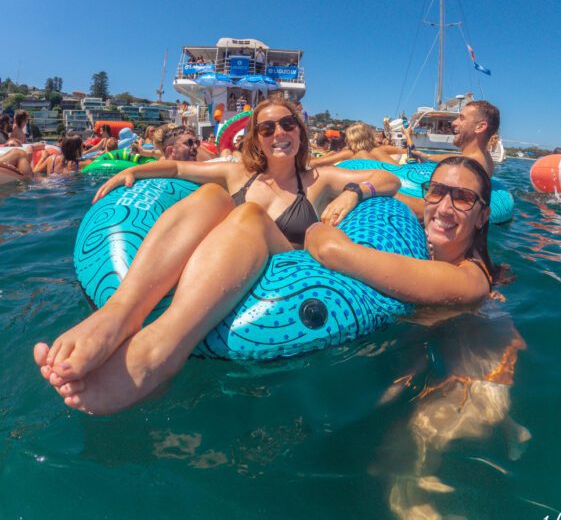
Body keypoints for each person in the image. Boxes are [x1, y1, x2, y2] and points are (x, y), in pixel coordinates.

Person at [34, 96, 400, 414]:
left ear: (300, 132)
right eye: (267, 128)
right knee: (213, 196)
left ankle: (161, 350)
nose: (279, 133)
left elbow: (389, 180)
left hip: (283, 266)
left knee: (248, 213)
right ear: (257, 138)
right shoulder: (238, 173)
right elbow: (177, 168)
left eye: (288, 124)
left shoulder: (319, 178)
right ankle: (118, 314)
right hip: (222, 261)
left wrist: (354, 193)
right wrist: (134, 169)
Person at [305, 156, 495, 310]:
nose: (444, 208)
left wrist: (314, 228)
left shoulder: (468, 281)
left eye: (463, 198)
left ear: (482, 217)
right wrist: (354, 193)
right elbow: (389, 187)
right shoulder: (425, 227)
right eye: (436, 191)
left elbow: (330, 250)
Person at [405, 101, 500, 178]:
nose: (453, 122)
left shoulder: (466, 169)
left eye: (462, 118)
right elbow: (462, 158)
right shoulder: (483, 158)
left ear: (480, 127)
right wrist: (428, 156)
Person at [309, 122, 407, 167]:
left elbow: (318, 163)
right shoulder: (381, 150)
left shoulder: (349, 152)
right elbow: (399, 166)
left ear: (351, 139)